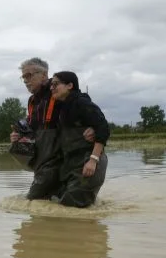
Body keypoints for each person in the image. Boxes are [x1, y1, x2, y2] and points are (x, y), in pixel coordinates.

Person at [9, 58, 94, 201]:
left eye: (29, 75)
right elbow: (32, 128)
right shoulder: (32, 101)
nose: (25, 80)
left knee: (33, 200)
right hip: (42, 161)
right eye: (23, 77)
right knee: (51, 201)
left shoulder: (58, 90)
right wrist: (18, 135)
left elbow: (82, 102)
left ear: (44, 75)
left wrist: (92, 126)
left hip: (63, 158)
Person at [46, 70, 110, 208]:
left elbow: (103, 127)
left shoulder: (81, 103)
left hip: (89, 163)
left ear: (69, 85)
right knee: (59, 203)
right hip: (72, 165)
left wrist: (93, 160)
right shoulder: (62, 106)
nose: (52, 88)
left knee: (70, 209)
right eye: (51, 85)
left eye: (55, 84)